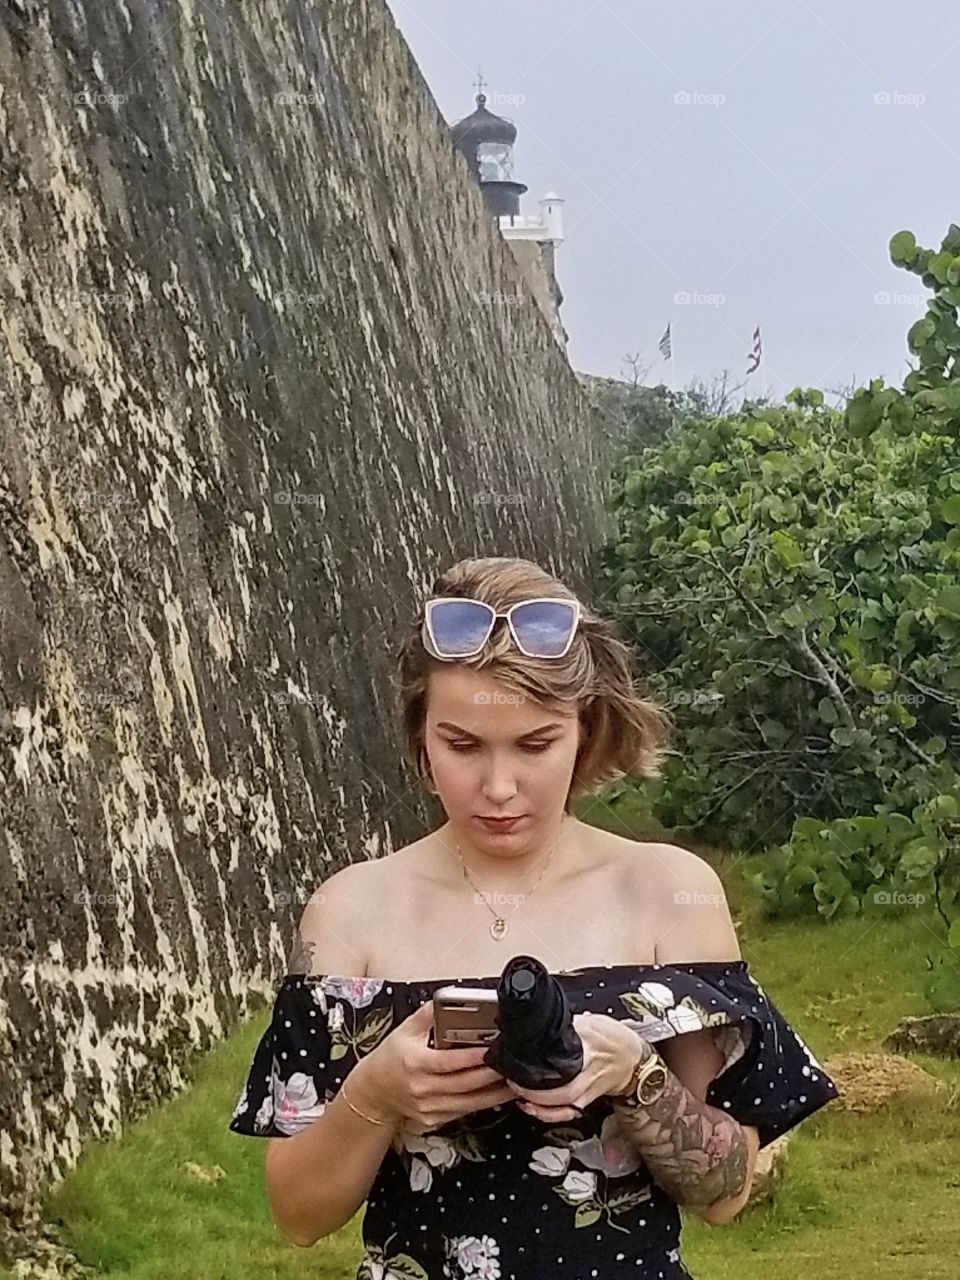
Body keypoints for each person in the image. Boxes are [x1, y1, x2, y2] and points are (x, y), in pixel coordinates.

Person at [229, 555, 839, 1279]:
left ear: (585, 730)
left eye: (535, 744)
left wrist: (635, 1075)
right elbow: (299, 1215)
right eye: (462, 746)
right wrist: (377, 1092)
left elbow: (726, 1192)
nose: (499, 786)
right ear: (419, 741)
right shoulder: (349, 911)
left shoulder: (669, 892)